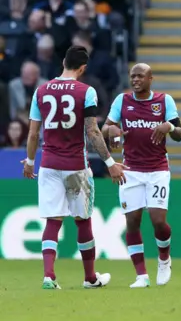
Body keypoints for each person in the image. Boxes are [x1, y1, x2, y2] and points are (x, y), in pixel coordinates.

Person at [22, 45, 127, 290]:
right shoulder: (86, 91)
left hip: (48, 164)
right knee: (83, 221)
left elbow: (33, 134)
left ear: (63, 62)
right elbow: (92, 131)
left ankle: (49, 276)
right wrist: (110, 163)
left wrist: (29, 162)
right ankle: (90, 278)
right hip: (76, 166)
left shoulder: (41, 91)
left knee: (52, 221)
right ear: (82, 68)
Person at [101, 63, 181, 288]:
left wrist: (168, 126)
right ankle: (141, 275)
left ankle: (164, 258)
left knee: (158, 221)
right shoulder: (122, 101)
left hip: (157, 169)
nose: (136, 80)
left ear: (150, 79)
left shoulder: (164, 101)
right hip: (131, 170)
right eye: (132, 76)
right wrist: (112, 130)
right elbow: (104, 129)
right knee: (132, 221)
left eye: (140, 76)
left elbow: (180, 134)